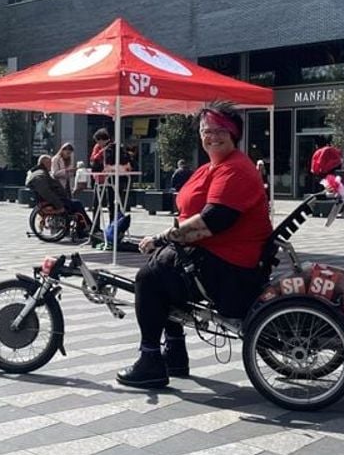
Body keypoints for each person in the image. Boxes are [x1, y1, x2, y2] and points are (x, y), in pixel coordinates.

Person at [117, 101, 272, 389]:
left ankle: (150, 360)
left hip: (231, 268)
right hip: (215, 256)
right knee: (159, 271)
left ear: (233, 133)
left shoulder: (235, 169)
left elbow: (215, 220)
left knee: (148, 280)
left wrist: (163, 238)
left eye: (218, 130)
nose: (210, 136)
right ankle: (175, 353)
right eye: (205, 130)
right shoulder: (211, 167)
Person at [27, 154, 86, 219]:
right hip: (55, 201)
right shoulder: (40, 175)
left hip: (52, 200)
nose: (51, 165)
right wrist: (59, 205)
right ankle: (86, 226)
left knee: (75, 203)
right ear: (45, 163)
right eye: (50, 163)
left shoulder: (37, 172)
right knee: (77, 204)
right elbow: (46, 192)